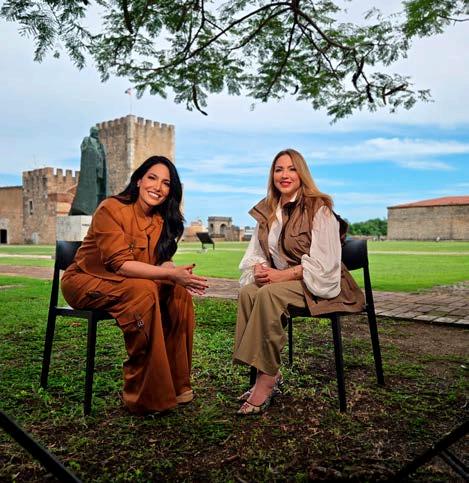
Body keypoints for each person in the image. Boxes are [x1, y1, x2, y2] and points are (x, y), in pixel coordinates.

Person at [62, 156, 208, 415]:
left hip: (130, 284)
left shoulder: (161, 219)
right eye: (152, 178)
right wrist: (170, 275)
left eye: (166, 183)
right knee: (144, 292)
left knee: (178, 294)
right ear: (139, 180)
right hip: (85, 282)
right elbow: (120, 265)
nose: (158, 187)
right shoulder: (111, 209)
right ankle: (145, 395)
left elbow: (161, 261)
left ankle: (177, 384)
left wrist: (174, 273)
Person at [233, 148, 365, 415]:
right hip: (285, 283)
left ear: (301, 173)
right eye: (279, 169)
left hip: (322, 284)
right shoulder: (268, 210)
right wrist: (259, 269)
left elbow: (325, 264)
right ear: (272, 175)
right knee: (249, 292)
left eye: (292, 169)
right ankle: (270, 371)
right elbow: (257, 252)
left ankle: (266, 381)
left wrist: (280, 276)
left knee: (268, 295)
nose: (285, 175)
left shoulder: (319, 208)